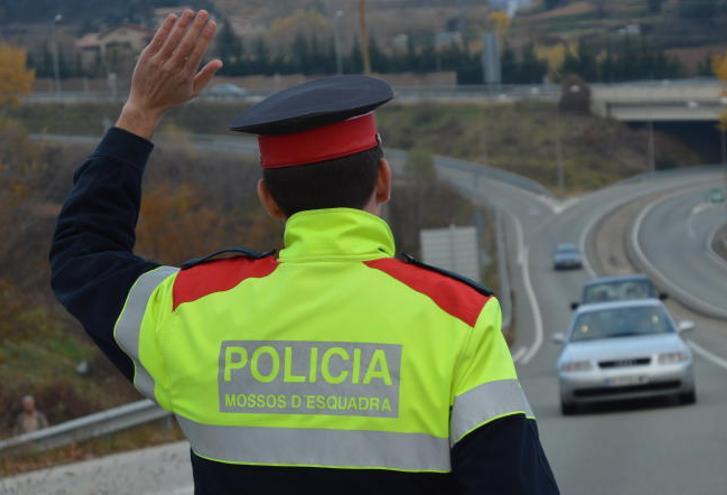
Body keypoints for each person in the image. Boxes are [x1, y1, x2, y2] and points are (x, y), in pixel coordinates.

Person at [49, 9, 559, 495]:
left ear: (268, 199)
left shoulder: (189, 307)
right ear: (383, 180)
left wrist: (141, 111)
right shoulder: (461, 321)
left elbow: (82, 255)